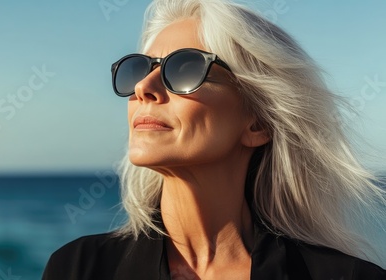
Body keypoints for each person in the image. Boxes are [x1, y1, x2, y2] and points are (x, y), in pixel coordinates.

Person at [42, 0, 386, 279]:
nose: (143, 88)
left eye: (185, 68)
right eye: (140, 68)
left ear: (258, 125)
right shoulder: (77, 268)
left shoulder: (348, 276)